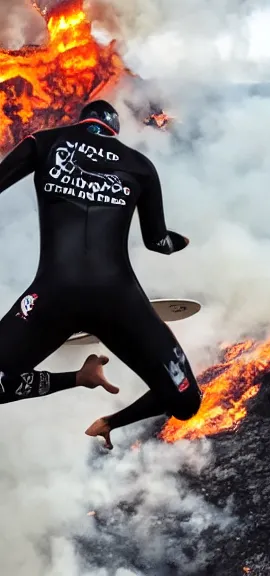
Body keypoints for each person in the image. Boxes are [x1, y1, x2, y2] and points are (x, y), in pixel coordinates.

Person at [0, 99, 202, 449]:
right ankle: (110, 421)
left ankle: (78, 377)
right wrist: (181, 241)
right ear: (115, 130)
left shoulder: (43, 143)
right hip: (120, 303)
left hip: (51, 298)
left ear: (82, 121)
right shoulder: (140, 166)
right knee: (186, 400)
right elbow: (158, 242)